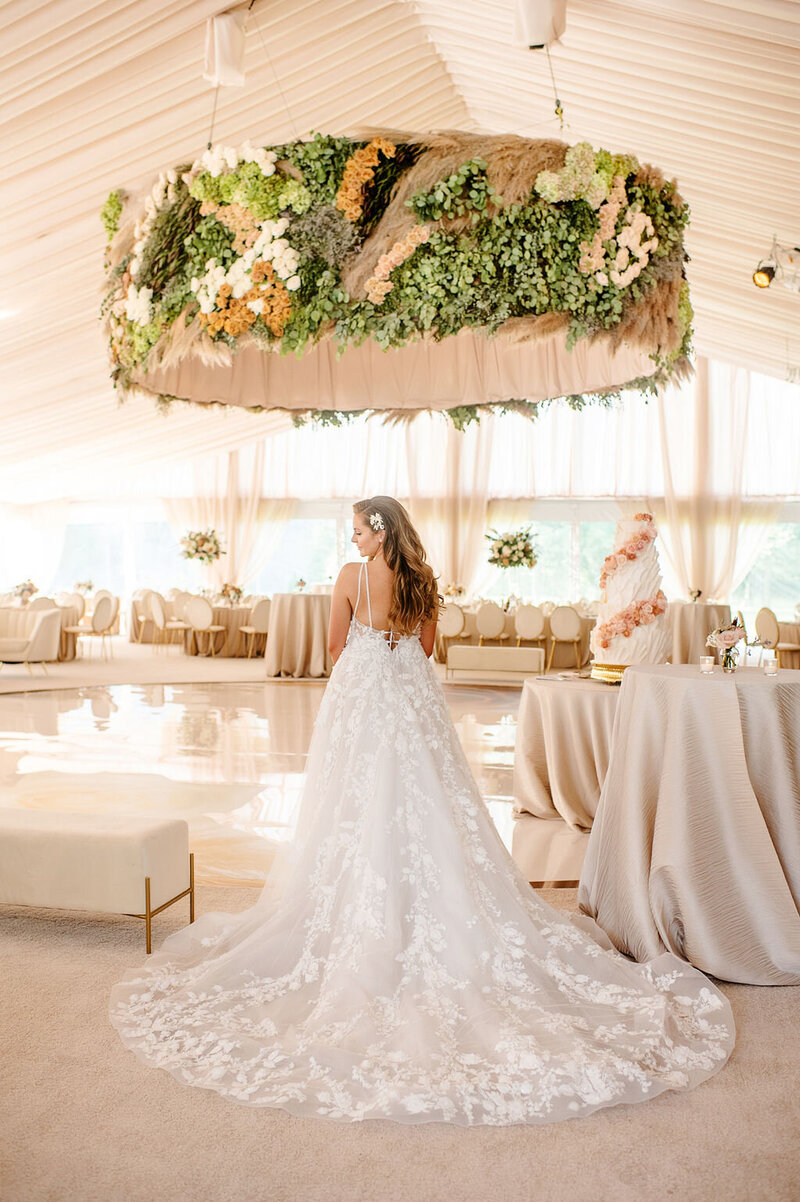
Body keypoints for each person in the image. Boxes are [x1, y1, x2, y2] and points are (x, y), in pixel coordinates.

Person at [110, 496, 733, 1125]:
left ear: (378, 533)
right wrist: (396, 647)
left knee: (353, 803)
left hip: (363, 699)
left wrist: (364, 659)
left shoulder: (350, 579)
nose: (352, 540)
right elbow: (428, 649)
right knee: (432, 800)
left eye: (357, 530)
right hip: (411, 700)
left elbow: (334, 649)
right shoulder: (423, 581)